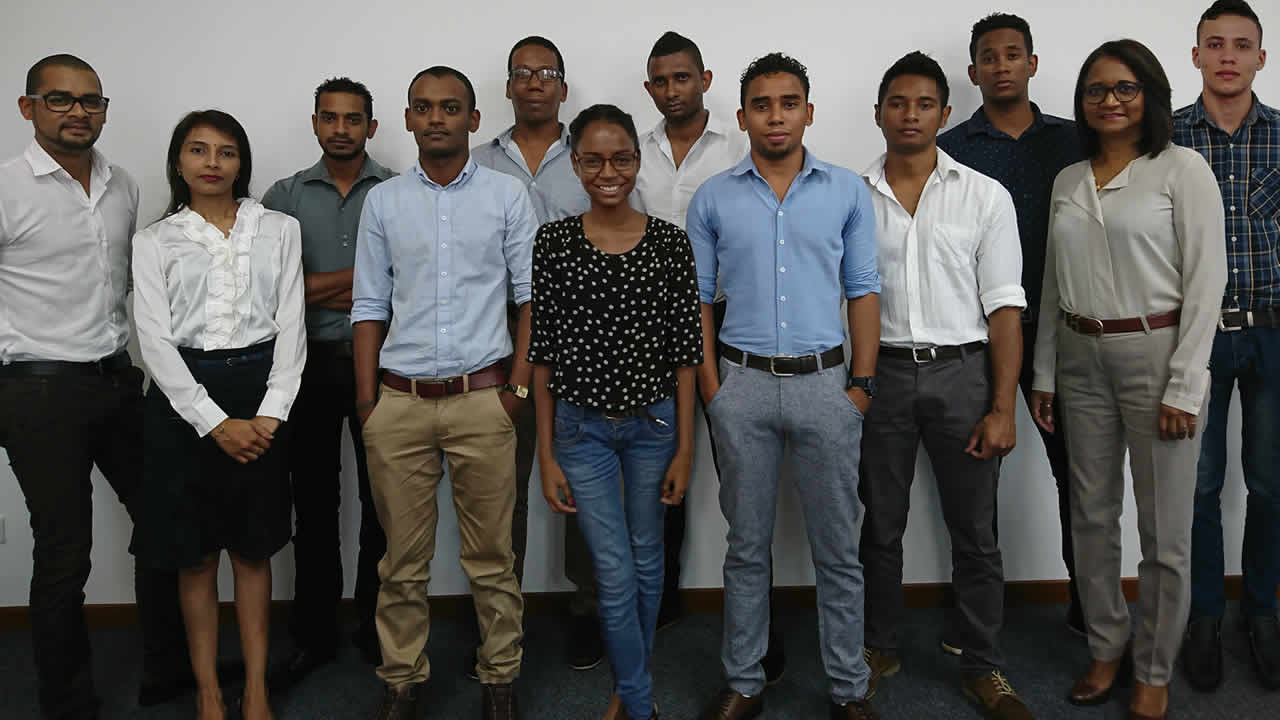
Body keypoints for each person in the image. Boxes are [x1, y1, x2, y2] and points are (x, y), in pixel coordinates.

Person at [1031, 39, 1228, 720]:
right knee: (1090, 516)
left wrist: (1185, 385)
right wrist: (1045, 373)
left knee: (1165, 530)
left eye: (1125, 87)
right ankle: (1106, 645)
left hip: (1158, 354)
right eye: (1096, 90)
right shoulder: (1068, 180)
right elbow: (1053, 285)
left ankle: (1153, 667)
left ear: (1150, 95)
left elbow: (1207, 283)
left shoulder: (1182, 169)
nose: (1109, 100)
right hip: (1079, 357)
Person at [688, 52, 881, 720]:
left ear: (809, 111)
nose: (776, 116)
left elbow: (863, 289)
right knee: (746, 547)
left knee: (839, 549)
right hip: (740, 388)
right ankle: (744, 681)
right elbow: (698, 300)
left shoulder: (847, 191)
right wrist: (712, 388)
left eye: (789, 102)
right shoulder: (713, 197)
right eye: (762, 104)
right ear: (743, 116)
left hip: (827, 386)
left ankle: (848, 687)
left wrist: (861, 384)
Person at [0, 53, 188, 719]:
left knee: (165, 523)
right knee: (65, 553)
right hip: (37, 392)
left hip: (115, 381)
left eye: (90, 100)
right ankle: (67, 701)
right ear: (28, 108)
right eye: (60, 99)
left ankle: (168, 670)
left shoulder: (122, 186)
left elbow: (127, 285)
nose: (77, 112)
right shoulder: (7, 188)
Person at [352, 66, 534, 720]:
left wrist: (516, 389)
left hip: (483, 399)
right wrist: (368, 404)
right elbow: (369, 305)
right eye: (424, 107)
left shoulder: (508, 196)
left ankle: (499, 677)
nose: (436, 118)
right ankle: (402, 679)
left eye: (451, 107)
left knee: (492, 557)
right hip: (398, 404)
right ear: (408, 118)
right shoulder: (384, 201)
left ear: (473, 120)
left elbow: (530, 299)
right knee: (401, 561)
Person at [859, 51, 1034, 720]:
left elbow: (1006, 307)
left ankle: (983, 664)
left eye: (925, 104)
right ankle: (878, 647)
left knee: (975, 531)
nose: (910, 115)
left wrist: (1002, 407)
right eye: (898, 103)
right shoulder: (850, 197)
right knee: (881, 524)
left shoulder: (984, 195)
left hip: (964, 373)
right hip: (880, 375)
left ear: (945, 113)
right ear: (878, 112)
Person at [130, 109, 307, 720]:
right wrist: (212, 421)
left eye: (226, 152)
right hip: (183, 400)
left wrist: (272, 412)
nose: (212, 162)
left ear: (241, 163)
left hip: (261, 395)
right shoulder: (154, 240)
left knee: (253, 551)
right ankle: (208, 690)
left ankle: (256, 687)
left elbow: (292, 324)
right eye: (199, 150)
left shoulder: (279, 228)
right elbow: (153, 341)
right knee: (196, 554)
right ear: (178, 161)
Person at [531, 103, 702, 720]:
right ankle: (637, 697)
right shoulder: (553, 243)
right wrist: (546, 454)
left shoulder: (670, 243)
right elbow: (542, 354)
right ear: (575, 164)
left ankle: (627, 692)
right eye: (594, 160)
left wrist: (685, 447)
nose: (609, 172)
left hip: (654, 426)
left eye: (622, 158)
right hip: (581, 432)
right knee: (611, 567)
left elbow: (686, 353)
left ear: (637, 161)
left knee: (649, 558)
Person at [634, 33, 785, 677]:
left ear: (705, 79)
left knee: (742, 476)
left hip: (725, 320)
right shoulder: (634, 150)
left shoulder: (738, 147)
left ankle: (760, 627)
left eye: (683, 77)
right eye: (661, 80)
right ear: (649, 88)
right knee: (658, 468)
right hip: (644, 326)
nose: (672, 90)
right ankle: (658, 605)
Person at [937, 12, 1087, 642]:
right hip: (980, 334)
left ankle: (1090, 605)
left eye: (1012, 54)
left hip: (1063, 332)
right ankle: (978, 618)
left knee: (1079, 476)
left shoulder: (1075, 140)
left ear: (1032, 62)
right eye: (988, 57)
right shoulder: (951, 148)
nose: (1001, 65)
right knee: (975, 485)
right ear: (973, 72)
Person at [472, 35, 602, 674]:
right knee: (502, 485)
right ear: (507, 86)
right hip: (496, 336)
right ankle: (501, 620)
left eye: (546, 72)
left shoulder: (590, 158)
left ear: (563, 87)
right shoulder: (476, 163)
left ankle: (586, 610)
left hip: (579, 336)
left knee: (582, 477)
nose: (533, 82)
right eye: (521, 72)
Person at [262, 77, 395, 682]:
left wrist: (314, 287)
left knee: (382, 505)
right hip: (305, 365)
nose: (341, 128)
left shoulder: (398, 191)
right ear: (315, 123)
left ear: (371, 126)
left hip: (383, 364)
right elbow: (273, 291)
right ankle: (313, 634)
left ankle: (375, 626)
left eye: (353, 118)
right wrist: (363, 282)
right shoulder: (283, 196)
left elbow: (407, 282)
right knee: (313, 506)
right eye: (330, 118)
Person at [1173, 0, 1280, 693]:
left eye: (1242, 45)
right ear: (1196, 55)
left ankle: (1262, 611)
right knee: (1199, 486)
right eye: (1215, 44)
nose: (1228, 57)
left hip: (1273, 331)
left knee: (1269, 484)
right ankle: (1204, 615)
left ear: (1261, 58)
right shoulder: (1168, 139)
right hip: (1197, 335)